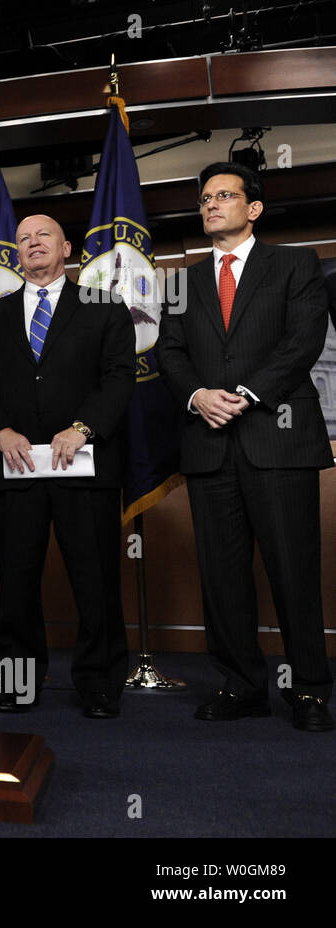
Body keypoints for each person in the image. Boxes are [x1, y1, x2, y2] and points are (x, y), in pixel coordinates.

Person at [156, 162, 333, 732]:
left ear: (253, 208)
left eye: (224, 195)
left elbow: (302, 342)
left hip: (278, 439)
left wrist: (247, 394)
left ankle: (308, 690)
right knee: (222, 574)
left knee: (293, 569)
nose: (210, 205)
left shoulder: (295, 264)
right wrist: (197, 396)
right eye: (205, 197)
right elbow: (170, 353)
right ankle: (242, 686)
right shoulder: (181, 281)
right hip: (208, 444)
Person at [0, 215, 134, 718]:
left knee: (95, 579)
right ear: (16, 253)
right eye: (24, 239)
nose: (33, 244)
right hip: (16, 471)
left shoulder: (105, 307)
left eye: (44, 237)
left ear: (66, 248)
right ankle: (19, 680)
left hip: (85, 467)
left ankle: (99, 683)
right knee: (16, 580)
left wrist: (83, 427)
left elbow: (120, 379)